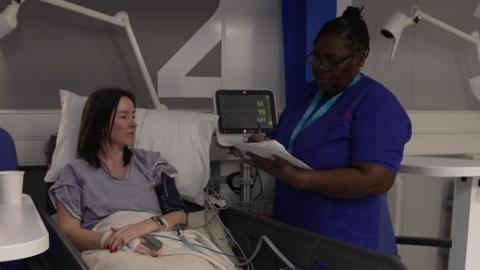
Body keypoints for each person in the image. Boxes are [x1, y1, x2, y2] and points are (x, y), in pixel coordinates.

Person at [247, 6, 411, 257]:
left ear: (360, 58)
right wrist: (261, 145)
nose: (321, 67)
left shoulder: (376, 104)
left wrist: (302, 179)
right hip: (294, 234)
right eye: (316, 58)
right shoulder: (305, 95)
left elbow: (377, 179)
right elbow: (284, 142)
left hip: (345, 245)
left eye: (332, 61)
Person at [48, 88, 187, 257]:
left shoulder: (150, 163)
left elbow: (180, 216)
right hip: (110, 247)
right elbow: (68, 231)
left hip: (159, 238)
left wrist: (144, 226)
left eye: (133, 116)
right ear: (100, 124)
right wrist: (113, 241)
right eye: (123, 116)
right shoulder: (75, 172)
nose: (133, 123)